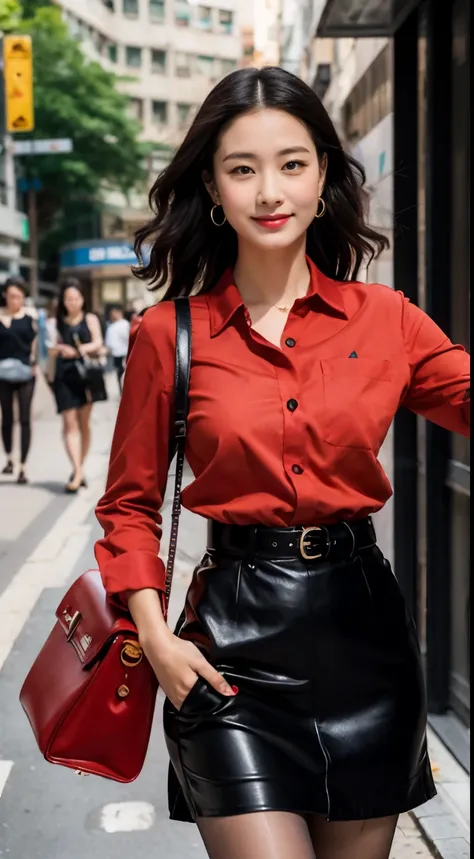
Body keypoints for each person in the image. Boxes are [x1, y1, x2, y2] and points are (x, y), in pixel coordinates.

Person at [94, 67, 470, 859]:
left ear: (324, 176)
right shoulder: (170, 335)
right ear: (213, 185)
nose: (270, 190)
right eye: (243, 168)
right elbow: (129, 503)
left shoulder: (387, 319)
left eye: (292, 163)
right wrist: (157, 639)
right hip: (229, 652)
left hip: (364, 641)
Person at [49, 278, 107, 493]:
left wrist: (80, 349)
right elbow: (51, 348)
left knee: (84, 424)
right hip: (64, 375)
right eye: (68, 299)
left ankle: (79, 468)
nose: (72, 302)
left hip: (86, 376)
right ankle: (77, 470)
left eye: (76, 298)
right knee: (69, 424)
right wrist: (58, 350)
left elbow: (99, 342)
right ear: (62, 301)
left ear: (82, 299)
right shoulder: (57, 321)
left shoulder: (90, 318)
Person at [0, 276, 38, 484]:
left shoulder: (30, 317)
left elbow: (36, 344)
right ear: (5, 295)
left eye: (20, 297)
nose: (16, 300)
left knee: (24, 418)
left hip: (25, 373)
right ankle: (9, 457)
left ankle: (23, 465)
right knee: (6, 417)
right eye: (12, 296)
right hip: (2, 375)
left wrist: (35, 364)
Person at [105, 305, 130, 393]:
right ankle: (121, 391)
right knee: (118, 373)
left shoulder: (125, 324)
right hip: (114, 353)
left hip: (124, 352)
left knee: (124, 373)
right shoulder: (111, 325)